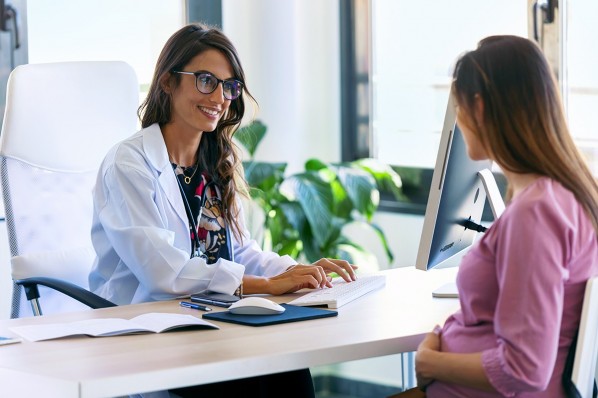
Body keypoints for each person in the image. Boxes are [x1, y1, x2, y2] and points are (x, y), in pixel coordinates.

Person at [88, 23, 357, 398]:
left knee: (287, 365)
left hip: (214, 322)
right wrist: (265, 286)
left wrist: (295, 271)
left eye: (228, 86)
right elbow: (163, 273)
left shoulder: (217, 161)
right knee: (255, 378)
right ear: (167, 82)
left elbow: (238, 252)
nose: (219, 96)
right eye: (205, 81)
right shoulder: (129, 164)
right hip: (152, 329)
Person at [393, 35, 598, 397]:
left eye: (459, 105)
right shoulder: (564, 194)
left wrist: (429, 363)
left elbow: (524, 369)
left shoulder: (535, 214)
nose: (457, 117)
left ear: (481, 107)